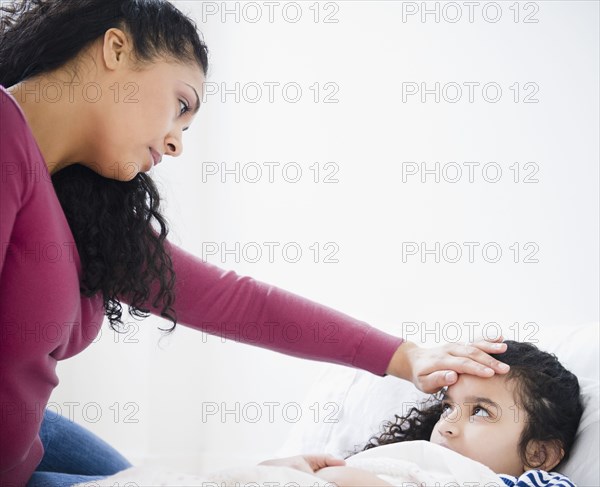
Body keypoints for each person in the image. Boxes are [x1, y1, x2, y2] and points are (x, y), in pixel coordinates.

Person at [0, 1, 510, 486]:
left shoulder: (79, 205)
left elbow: (237, 302)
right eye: (181, 104)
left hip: (29, 442)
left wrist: (409, 356)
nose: (177, 141)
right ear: (115, 49)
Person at [292, 340, 582, 486]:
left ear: (539, 454)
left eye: (480, 411)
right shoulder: (406, 461)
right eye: (448, 407)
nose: (446, 426)